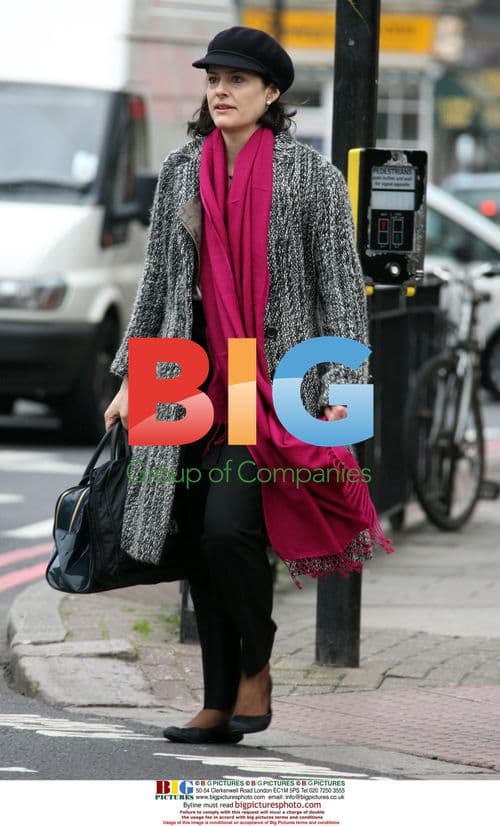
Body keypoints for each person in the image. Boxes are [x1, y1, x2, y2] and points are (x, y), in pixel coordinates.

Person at [104, 26, 393, 745]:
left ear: (272, 95)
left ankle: (256, 666)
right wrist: (127, 381)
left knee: (231, 531)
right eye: (214, 79)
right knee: (195, 537)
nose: (222, 90)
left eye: (237, 80)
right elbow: (160, 284)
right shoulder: (180, 169)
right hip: (185, 374)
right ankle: (216, 699)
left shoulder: (310, 175)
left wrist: (343, 398)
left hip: (265, 379)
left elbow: (341, 294)